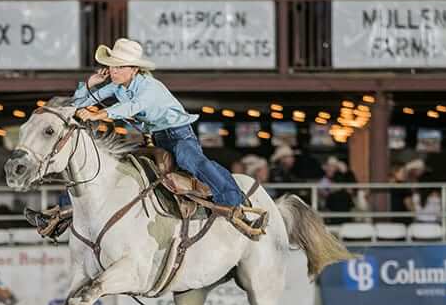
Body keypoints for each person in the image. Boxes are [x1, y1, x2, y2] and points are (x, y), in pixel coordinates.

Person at [26, 38, 267, 236]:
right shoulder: (116, 86)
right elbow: (79, 103)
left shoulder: (150, 88)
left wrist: (98, 113)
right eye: (112, 66)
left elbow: (132, 107)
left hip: (178, 135)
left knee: (189, 159)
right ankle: (63, 211)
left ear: (134, 69)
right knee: (113, 167)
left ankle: (233, 200)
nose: (113, 70)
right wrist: (90, 84)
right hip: (156, 139)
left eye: (119, 66)